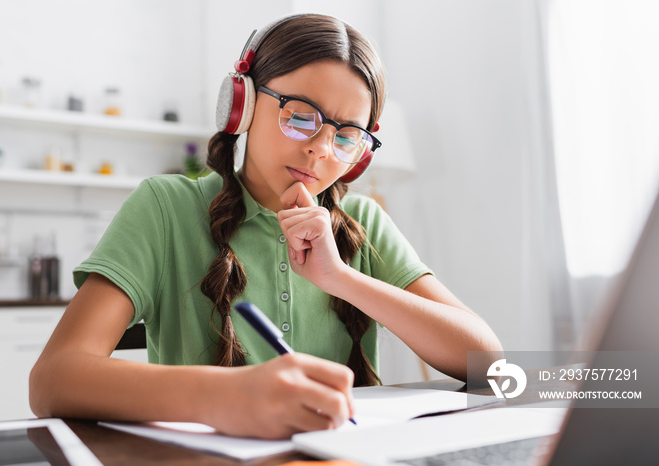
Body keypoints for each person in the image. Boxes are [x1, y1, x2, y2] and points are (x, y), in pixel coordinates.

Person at [29, 13, 503, 440]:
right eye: (300, 116)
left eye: (346, 135)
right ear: (244, 103)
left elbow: (488, 365)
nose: (321, 149)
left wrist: (341, 278)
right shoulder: (164, 207)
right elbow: (54, 378)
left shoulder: (364, 223)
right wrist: (224, 395)